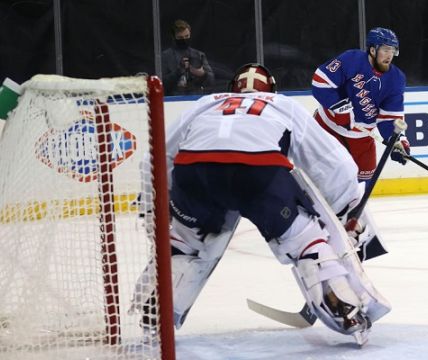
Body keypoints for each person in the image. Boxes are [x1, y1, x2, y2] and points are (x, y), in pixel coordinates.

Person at [131, 64, 393, 345]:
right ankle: (345, 311)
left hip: (194, 171)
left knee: (185, 241)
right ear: (272, 89)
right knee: (306, 240)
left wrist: (151, 207)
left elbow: (155, 158)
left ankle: (155, 307)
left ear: (232, 88)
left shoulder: (206, 103)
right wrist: (348, 208)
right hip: (257, 172)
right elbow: (331, 162)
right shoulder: (282, 104)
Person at [312, 27, 410, 182]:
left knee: (363, 187)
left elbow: (389, 117)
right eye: (385, 50)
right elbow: (320, 81)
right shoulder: (352, 59)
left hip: (362, 138)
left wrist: (397, 141)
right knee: (320, 180)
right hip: (327, 128)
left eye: (393, 51)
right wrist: (340, 109)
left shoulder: (396, 79)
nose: (390, 55)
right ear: (372, 50)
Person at [161, 19, 215, 96]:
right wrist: (178, 71)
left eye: (187, 36)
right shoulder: (165, 56)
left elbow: (211, 80)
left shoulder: (199, 55)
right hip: (174, 98)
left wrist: (202, 74)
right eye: (180, 38)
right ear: (173, 37)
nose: (184, 39)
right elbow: (161, 83)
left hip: (196, 97)